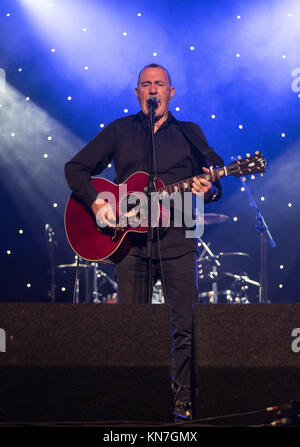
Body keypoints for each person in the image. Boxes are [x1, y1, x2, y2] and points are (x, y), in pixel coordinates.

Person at [65, 63, 223, 421]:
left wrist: (209, 187)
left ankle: (181, 404)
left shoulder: (190, 134)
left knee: (183, 325)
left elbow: (214, 183)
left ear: (171, 91)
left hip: (179, 239)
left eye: (160, 84)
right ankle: (131, 402)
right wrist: (97, 201)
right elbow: (75, 168)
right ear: (137, 93)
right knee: (131, 327)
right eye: (146, 84)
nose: (153, 90)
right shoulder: (120, 130)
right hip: (130, 244)